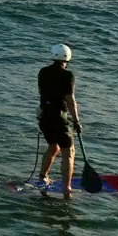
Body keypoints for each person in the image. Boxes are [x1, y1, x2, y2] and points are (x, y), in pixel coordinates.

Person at [37, 43, 82, 194]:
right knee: (69, 152)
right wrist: (76, 121)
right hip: (59, 117)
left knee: (53, 146)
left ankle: (43, 177)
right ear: (68, 58)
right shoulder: (68, 75)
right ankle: (66, 188)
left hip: (44, 116)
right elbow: (70, 100)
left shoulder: (43, 72)